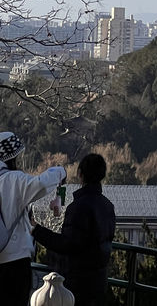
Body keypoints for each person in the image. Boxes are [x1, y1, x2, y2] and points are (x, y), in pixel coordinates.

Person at [32, 153, 116, 306]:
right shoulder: (108, 206)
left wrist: (36, 230)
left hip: (78, 281)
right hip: (99, 280)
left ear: (80, 174)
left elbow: (67, 244)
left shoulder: (78, 207)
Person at [0, 130, 67, 306]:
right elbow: (42, 183)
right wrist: (60, 171)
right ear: (11, 157)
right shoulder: (13, 180)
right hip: (14, 261)